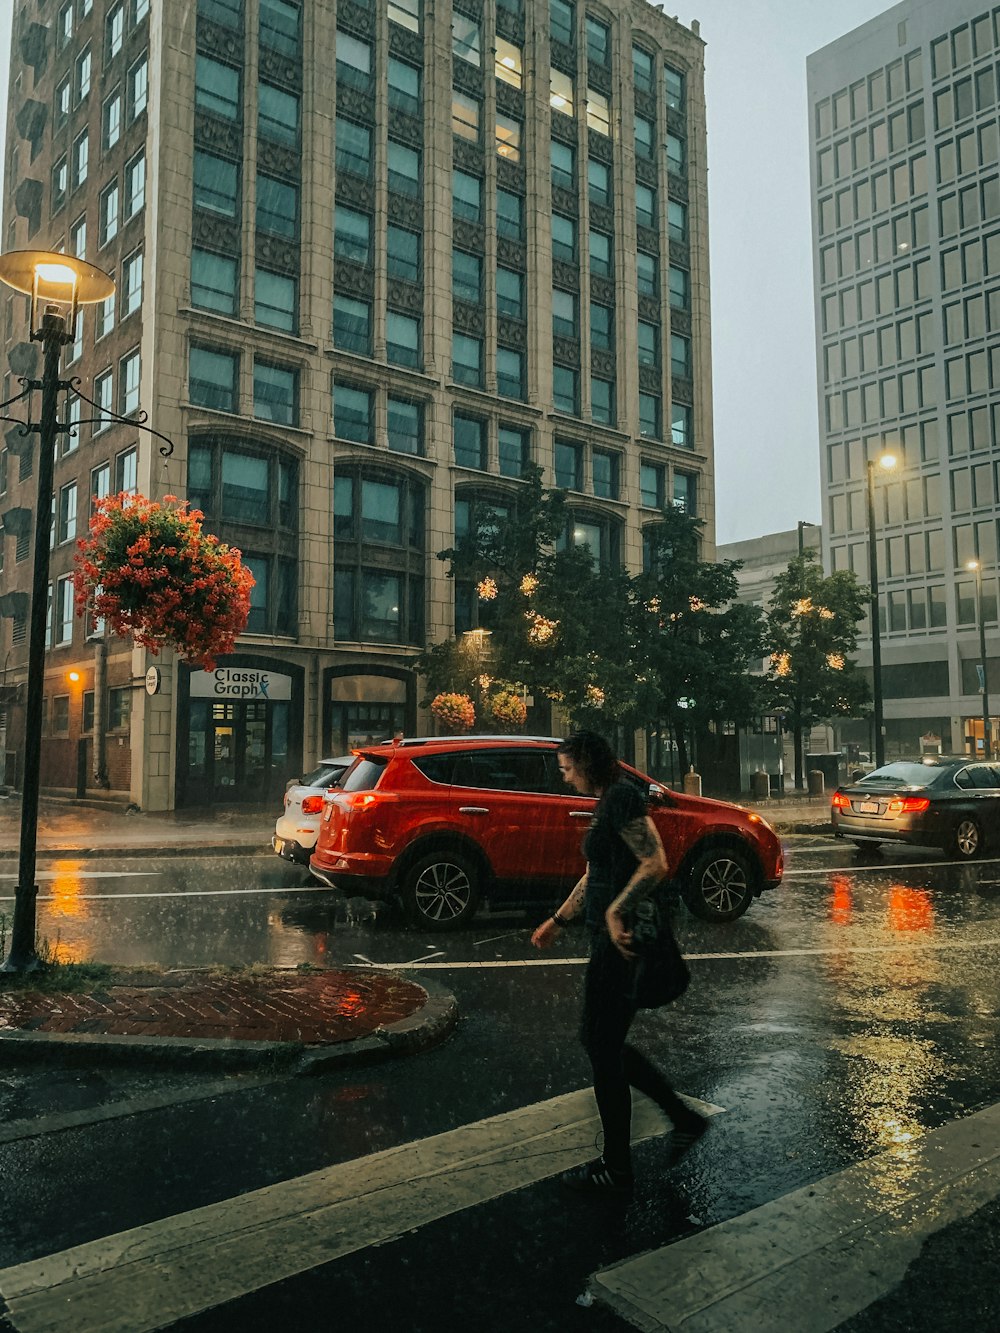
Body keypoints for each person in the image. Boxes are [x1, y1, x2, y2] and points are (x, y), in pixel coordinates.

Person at [531, 730, 707, 1196]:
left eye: (568, 769)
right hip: (609, 939)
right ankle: (674, 1124)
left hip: (623, 942)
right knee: (602, 1044)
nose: (565, 779)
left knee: (600, 1042)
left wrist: (613, 912)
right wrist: (557, 920)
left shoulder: (621, 798)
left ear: (587, 764)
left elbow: (656, 863)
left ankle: (624, 1161)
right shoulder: (609, 801)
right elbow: (597, 872)